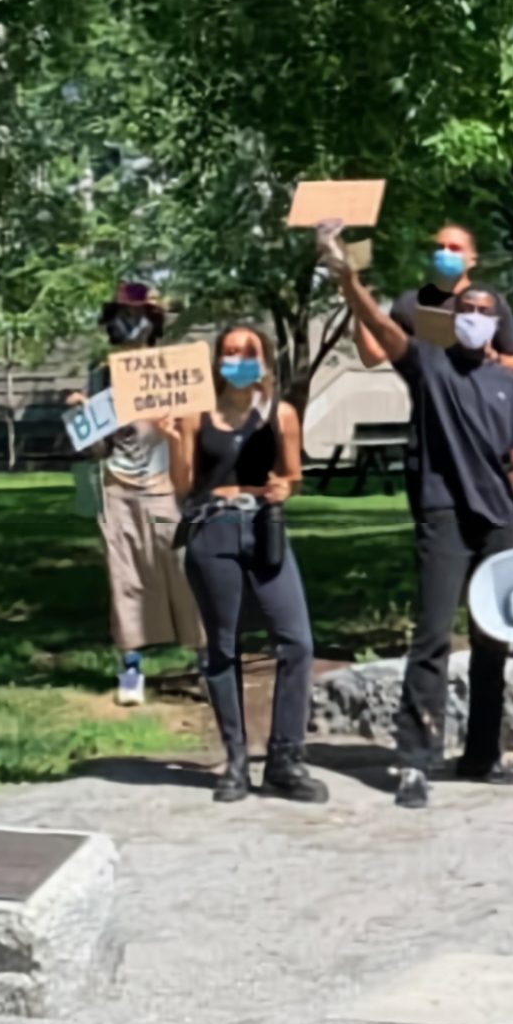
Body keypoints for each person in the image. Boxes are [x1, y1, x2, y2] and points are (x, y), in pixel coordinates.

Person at [325, 225, 513, 809]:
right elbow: (382, 329)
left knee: (494, 638)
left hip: (497, 520)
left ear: (495, 322)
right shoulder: (428, 364)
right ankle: (415, 760)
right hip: (444, 512)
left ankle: (482, 754)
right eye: (465, 310)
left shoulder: (507, 383)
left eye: (483, 311)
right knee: (432, 636)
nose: (473, 316)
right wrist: (348, 279)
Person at [160, 326, 326, 804]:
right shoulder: (196, 415)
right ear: (216, 361)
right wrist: (173, 439)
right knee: (222, 649)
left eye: (247, 352)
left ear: (264, 359)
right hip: (211, 532)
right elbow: (182, 487)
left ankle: (285, 759)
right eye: (229, 352)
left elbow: (292, 475)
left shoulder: (281, 414)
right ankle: (234, 760)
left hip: (264, 532)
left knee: (296, 641)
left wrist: (284, 487)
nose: (238, 360)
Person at [68, 283, 203, 700]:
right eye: (123, 315)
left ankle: (205, 663)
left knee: (186, 575)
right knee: (125, 581)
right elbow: (96, 449)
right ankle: (131, 673)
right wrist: (81, 414)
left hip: (168, 488)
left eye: (140, 314)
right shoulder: (103, 374)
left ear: (155, 321)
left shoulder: (175, 370)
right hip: (118, 490)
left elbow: (196, 429)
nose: (131, 323)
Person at [355, 222, 513, 373]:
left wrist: (492, 357)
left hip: (477, 403)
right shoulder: (410, 303)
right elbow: (373, 356)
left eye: (455, 248)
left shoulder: (487, 303)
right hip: (433, 404)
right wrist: (357, 301)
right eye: (440, 248)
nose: (445, 253)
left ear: (472, 259)